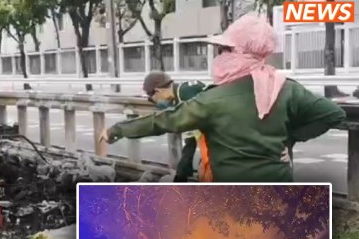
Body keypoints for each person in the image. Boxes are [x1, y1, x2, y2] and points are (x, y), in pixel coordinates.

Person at [99, 14, 346, 182]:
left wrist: (118, 129)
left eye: (225, 50)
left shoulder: (212, 100)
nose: (220, 56)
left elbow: (165, 121)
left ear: (239, 53)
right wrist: (291, 139)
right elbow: (333, 114)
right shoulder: (286, 88)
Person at [143, 71, 207, 182]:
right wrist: (182, 173)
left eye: (153, 99)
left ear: (158, 91)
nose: (157, 104)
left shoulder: (186, 95)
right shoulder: (180, 94)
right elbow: (191, 138)